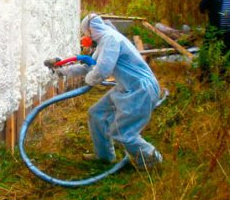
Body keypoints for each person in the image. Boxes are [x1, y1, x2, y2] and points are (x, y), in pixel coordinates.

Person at [55, 14, 163, 169]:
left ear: (92, 30)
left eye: (86, 34)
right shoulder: (104, 42)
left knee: (123, 133)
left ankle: (153, 162)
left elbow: (102, 70)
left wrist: (89, 80)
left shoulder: (111, 39)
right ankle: (104, 156)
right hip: (126, 88)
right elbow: (89, 66)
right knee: (96, 114)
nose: (87, 38)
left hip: (140, 90)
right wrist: (62, 70)